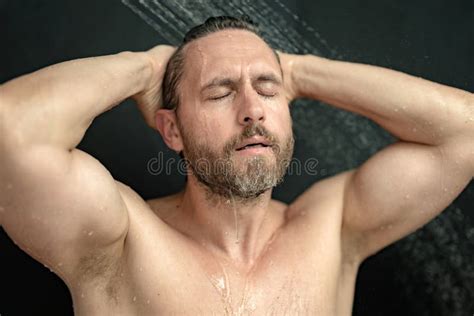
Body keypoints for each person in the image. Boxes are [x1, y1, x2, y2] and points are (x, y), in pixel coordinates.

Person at [0, 15, 472, 315]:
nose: (253, 109)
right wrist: (144, 68)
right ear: (172, 131)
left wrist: (301, 72)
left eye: (268, 90)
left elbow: (465, 131)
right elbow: (10, 130)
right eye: (220, 92)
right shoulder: (120, 243)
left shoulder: (333, 228)